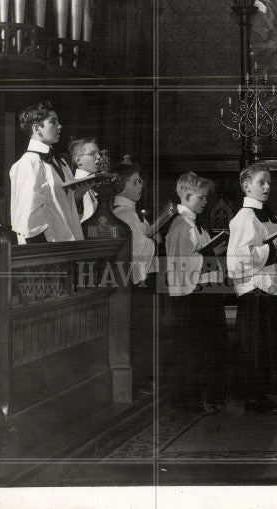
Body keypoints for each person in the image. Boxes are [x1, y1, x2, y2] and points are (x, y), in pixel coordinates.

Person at [228, 163, 277, 415]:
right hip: (255, 292)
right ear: (246, 186)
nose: (267, 187)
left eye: (269, 182)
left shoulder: (269, 215)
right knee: (256, 347)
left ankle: (264, 395)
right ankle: (254, 399)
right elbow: (237, 261)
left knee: (269, 345)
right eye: (261, 182)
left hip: (270, 288)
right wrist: (273, 248)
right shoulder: (244, 217)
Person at [162, 172, 229, 413]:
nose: (205, 202)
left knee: (202, 349)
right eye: (200, 198)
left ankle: (203, 397)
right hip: (189, 298)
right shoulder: (181, 225)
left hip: (202, 292)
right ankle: (189, 401)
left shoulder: (193, 222)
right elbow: (181, 264)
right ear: (187, 196)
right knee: (191, 351)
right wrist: (209, 255)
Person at [9, 100, 84, 243]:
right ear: (37, 128)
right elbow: (27, 219)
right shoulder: (28, 163)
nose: (59, 126)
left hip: (70, 246)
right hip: (48, 251)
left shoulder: (60, 163)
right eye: (53, 122)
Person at [112, 161, 158, 394]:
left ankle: (143, 378)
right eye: (135, 181)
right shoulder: (124, 214)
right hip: (136, 282)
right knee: (138, 332)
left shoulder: (132, 212)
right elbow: (138, 248)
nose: (141, 185)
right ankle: (138, 381)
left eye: (140, 180)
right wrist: (150, 239)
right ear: (120, 185)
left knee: (144, 331)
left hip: (143, 279)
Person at [69, 137, 103, 223]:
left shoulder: (95, 182)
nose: (99, 157)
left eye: (99, 153)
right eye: (92, 154)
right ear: (78, 160)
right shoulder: (74, 186)